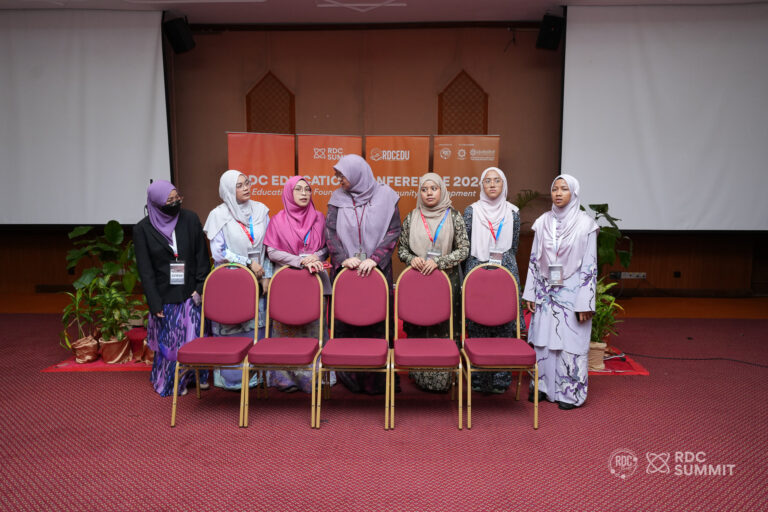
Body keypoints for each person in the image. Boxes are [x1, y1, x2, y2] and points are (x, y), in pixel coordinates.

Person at [325, 154, 401, 394]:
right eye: (337, 175)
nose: (338, 180)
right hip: (347, 272)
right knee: (347, 323)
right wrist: (342, 258)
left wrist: (374, 259)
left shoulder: (387, 196)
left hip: (376, 272)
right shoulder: (337, 199)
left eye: (342, 175)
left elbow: (393, 231)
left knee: (377, 323)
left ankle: (377, 380)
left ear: (357, 174)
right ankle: (350, 377)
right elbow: (330, 233)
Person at [522, 174, 598, 410]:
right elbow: (534, 259)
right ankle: (542, 386)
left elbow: (590, 265)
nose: (558, 193)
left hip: (573, 291)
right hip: (546, 290)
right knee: (543, 339)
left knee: (570, 341)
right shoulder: (543, 221)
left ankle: (569, 392)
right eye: (555, 188)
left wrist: (585, 302)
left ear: (574, 193)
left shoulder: (586, 224)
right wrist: (530, 292)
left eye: (564, 189)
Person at [134, 180, 210, 397]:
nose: (175, 203)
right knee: (172, 344)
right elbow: (146, 271)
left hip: (190, 292)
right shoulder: (142, 229)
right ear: (156, 203)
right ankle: (176, 380)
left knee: (194, 338)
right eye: (169, 200)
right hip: (165, 295)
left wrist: (200, 287)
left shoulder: (190, 219)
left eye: (177, 198)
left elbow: (201, 256)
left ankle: (195, 376)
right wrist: (154, 302)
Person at [397, 172, 469, 392]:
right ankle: (420, 375)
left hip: (446, 282)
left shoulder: (454, 216)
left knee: (445, 328)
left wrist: (439, 262)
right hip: (418, 282)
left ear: (442, 190)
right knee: (420, 327)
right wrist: (412, 259)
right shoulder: (411, 217)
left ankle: (444, 378)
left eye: (433, 188)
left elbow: (464, 250)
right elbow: (401, 250)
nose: (429, 193)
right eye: (424, 189)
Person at [263, 175, 335, 393]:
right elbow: (272, 251)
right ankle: (284, 379)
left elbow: (327, 247)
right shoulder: (277, 220)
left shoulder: (319, 218)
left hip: (315, 281)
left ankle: (315, 377)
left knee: (314, 329)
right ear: (288, 193)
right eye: (298, 189)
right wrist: (299, 260)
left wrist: (315, 256)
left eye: (307, 189)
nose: (304, 193)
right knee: (286, 331)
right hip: (287, 285)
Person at [203, 170, 273, 390]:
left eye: (247, 183)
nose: (246, 188)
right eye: (239, 185)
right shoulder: (218, 215)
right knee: (233, 327)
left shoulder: (261, 210)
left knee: (257, 325)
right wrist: (247, 263)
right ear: (227, 190)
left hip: (259, 278)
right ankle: (231, 378)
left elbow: (268, 247)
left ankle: (258, 376)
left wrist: (266, 275)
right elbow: (219, 253)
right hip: (231, 281)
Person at [463, 166, 524, 394]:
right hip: (477, 268)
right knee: (477, 322)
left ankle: (500, 379)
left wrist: (502, 263)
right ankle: (478, 377)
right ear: (481, 185)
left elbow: (514, 246)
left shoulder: (513, 212)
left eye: (496, 180)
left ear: (503, 185)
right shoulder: (472, 211)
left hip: (505, 271)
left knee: (505, 324)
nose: (491, 184)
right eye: (487, 180)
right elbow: (466, 243)